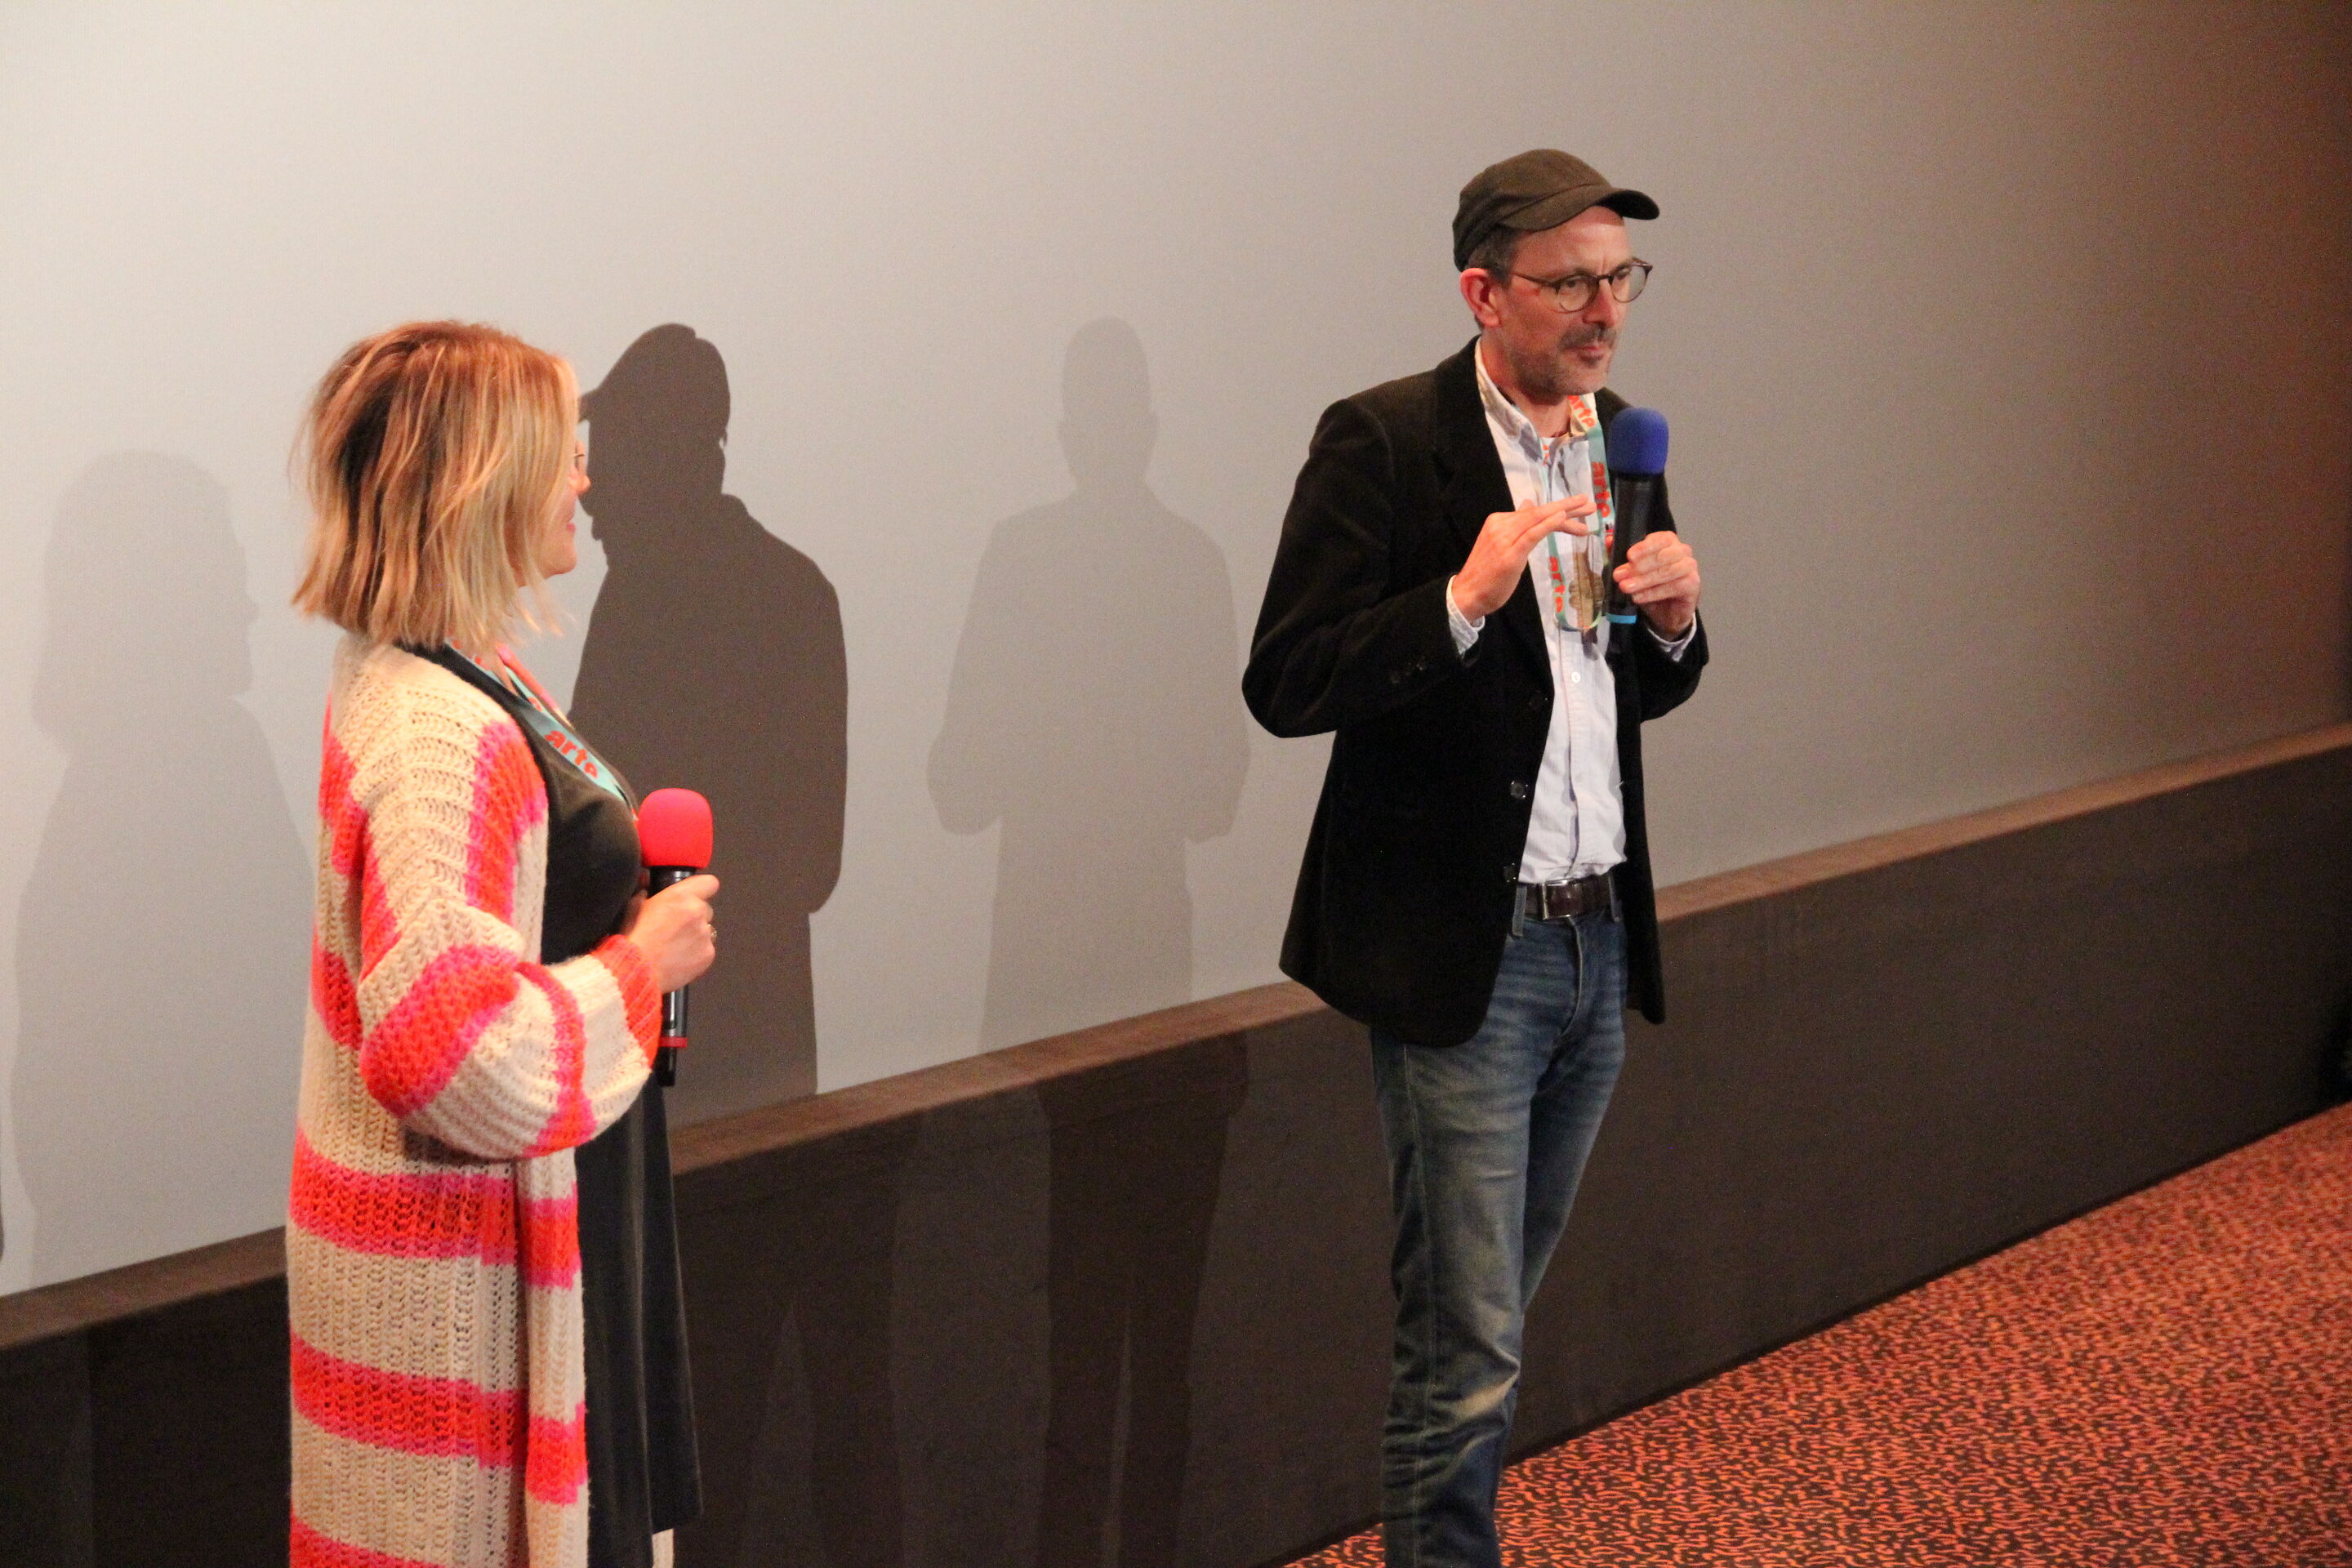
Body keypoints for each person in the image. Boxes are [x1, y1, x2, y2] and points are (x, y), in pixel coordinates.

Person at [1243, 150, 1707, 1566]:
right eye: (1571, 284)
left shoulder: (1622, 440)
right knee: (1468, 1351)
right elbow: (1288, 681)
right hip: (1470, 958)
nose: (1605, 312)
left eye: (1620, 279)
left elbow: (1618, 688)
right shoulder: (1386, 441)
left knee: (1495, 1320)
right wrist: (1457, 598)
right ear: (1483, 293)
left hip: (1596, 941)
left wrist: (1676, 624)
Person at [285, 321, 719, 1568]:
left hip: (550, 1217)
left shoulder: (454, 671)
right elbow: (445, 1052)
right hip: (467, 1280)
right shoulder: (441, 735)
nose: (585, 475)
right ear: (484, 483)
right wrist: (641, 969)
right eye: (562, 451)